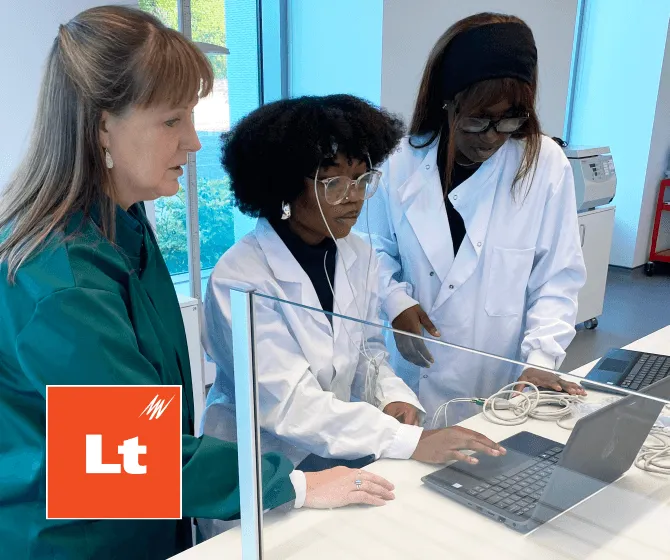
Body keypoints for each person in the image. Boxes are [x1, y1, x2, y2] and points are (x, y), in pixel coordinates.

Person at [0, 8, 395, 559]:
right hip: (78, 539)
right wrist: (296, 485)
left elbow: (150, 409)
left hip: (145, 516)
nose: (193, 141)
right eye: (171, 121)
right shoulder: (61, 278)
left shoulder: (124, 226)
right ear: (100, 126)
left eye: (191, 116)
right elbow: (133, 450)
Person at [201, 95, 506, 520]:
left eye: (363, 180)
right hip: (261, 466)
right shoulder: (240, 279)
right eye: (333, 184)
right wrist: (409, 442)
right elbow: (287, 404)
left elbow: (368, 352)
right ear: (284, 185)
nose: (354, 197)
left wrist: (391, 398)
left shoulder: (356, 255)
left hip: (334, 456)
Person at [365, 13, 588, 425]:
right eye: (478, 118)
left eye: (509, 119)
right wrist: (395, 302)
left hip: (501, 379)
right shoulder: (398, 162)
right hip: (416, 372)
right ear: (448, 101)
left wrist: (541, 359)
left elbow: (557, 275)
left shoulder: (544, 165)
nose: (491, 135)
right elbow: (372, 250)